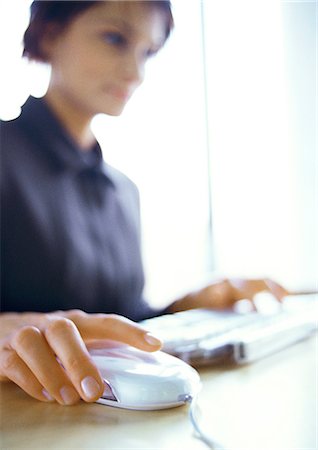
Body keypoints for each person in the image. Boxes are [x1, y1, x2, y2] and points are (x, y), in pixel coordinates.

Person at [0, 1, 289, 406]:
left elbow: (121, 319)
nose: (135, 72)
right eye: (115, 38)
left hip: (112, 420)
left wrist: (188, 306)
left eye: (147, 52)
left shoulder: (122, 191)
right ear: (50, 33)